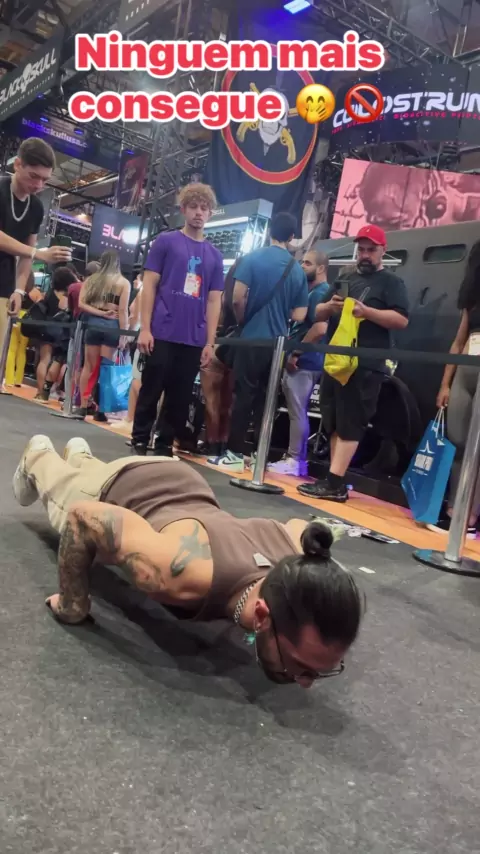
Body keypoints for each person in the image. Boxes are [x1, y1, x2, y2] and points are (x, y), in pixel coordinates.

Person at [13, 434, 364, 688]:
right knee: (63, 495)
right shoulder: (178, 573)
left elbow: (300, 526)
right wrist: (72, 606)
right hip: (122, 487)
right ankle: (40, 454)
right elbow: (84, 517)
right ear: (261, 616)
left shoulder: (299, 560)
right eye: (301, 668)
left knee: (87, 474)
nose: (306, 684)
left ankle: (80, 456)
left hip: (184, 483)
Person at [298, 224, 409, 503]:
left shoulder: (392, 283)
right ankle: (333, 480)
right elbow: (317, 313)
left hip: (365, 363)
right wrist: (329, 307)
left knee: (352, 421)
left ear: (383, 251)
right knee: (334, 420)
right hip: (336, 360)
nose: (365, 255)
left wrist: (367, 312)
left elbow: (401, 320)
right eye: (361, 249)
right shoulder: (345, 277)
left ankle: (335, 482)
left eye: (371, 250)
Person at [209, 212, 308, 474]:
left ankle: (234, 453)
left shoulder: (252, 259)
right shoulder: (297, 269)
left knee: (243, 395)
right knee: (266, 400)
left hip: (251, 339)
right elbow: (300, 315)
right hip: (277, 345)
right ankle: (257, 454)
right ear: (292, 236)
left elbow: (237, 298)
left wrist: (245, 320)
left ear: (270, 231)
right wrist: (281, 312)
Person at [131, 183, 224, 456]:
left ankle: (164, 445)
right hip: (161, 330)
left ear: (210, 213)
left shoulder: (215, 256)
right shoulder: (166, 242)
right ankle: (139, 439)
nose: (199, 213)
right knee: (151, 388)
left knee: (180, 397)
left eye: (204, 208)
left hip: (193, 337)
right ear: (183, 209)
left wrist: (210, 343)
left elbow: (214, 301)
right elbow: (149, 285)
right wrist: (145, 328)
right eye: (193, 207)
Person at [0, 138, 72, 356]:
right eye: (34, 176)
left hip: (3, 285)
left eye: (45, 179)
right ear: (18, 165)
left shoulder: (36, 208)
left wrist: (19, 290)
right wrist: (38, 253)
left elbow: (26, 256)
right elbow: (29, 250)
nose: (39, 185)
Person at [268, 250, 330, 477]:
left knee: (297, 411)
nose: (302, 266)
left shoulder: (320, 293)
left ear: (321, 268)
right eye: (302, 262)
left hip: (306, 361)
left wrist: (296, 353)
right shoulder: (314, 292)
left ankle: (295, 459)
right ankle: (294, 458)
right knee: (297, 410)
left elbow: (320, 328)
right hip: (306, 360)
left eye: (308, 263)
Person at [435, 240, 480, 535]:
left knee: (478, 446)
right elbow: (458, 340)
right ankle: (454, 508)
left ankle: (470, 515)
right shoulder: (472, 297)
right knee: (458, 440)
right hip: (465, 369)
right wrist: (445, 384)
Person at [77, 250, 130, 419]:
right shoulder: (123, 283)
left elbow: (81, 304)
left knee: (88, 367)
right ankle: (101, 410)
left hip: (93, 324)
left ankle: (83, 405)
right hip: (113, 327)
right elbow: (123, 311)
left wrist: (100, 313)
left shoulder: (92, 280)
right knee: (106, 369)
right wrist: (124, 335)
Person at [33, 266, 79, 402]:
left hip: (48, 327)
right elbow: (64, 308)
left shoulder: (50, 292)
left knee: (45, 360)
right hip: (63, 330)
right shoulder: (69, 293)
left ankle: (41, 392)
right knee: (61, 361)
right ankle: (53, 391)